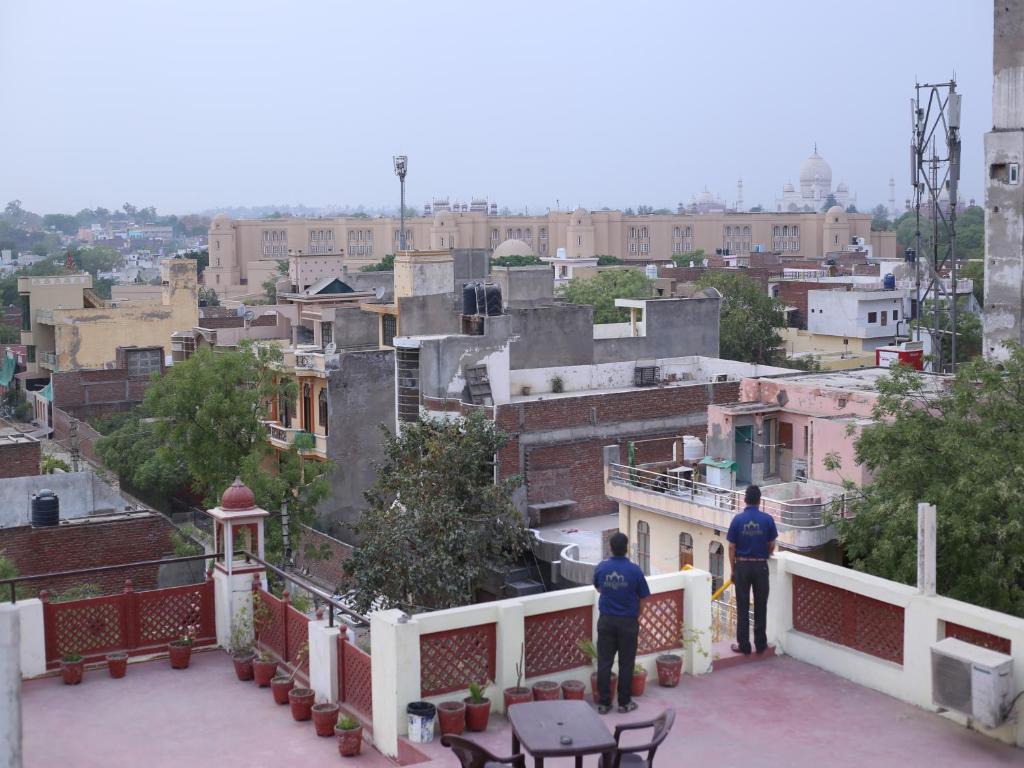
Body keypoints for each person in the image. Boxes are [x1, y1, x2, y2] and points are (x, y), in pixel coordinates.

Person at [592, 532, 650, 714]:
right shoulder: (635, 571)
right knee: (626, 663)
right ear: (626, 549)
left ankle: (604, 703)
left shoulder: (602, 568)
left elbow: (599, 588)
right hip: (627, 622)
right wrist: (635, 617)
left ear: (610, 547)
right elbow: (643, 598)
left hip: (606, 621)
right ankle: (624, 703)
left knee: (604, 662)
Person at [727, 484, 778, 655]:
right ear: (759, 500)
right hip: (760, 565)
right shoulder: (767, 519)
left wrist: (733, 569)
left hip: (742, 566)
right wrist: (766, 554)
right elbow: (772, 544)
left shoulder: (737, 520)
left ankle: (744, 645)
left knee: (742, 606)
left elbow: (731, 547)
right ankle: (761, 644)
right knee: (761, 605)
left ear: (745, 500)